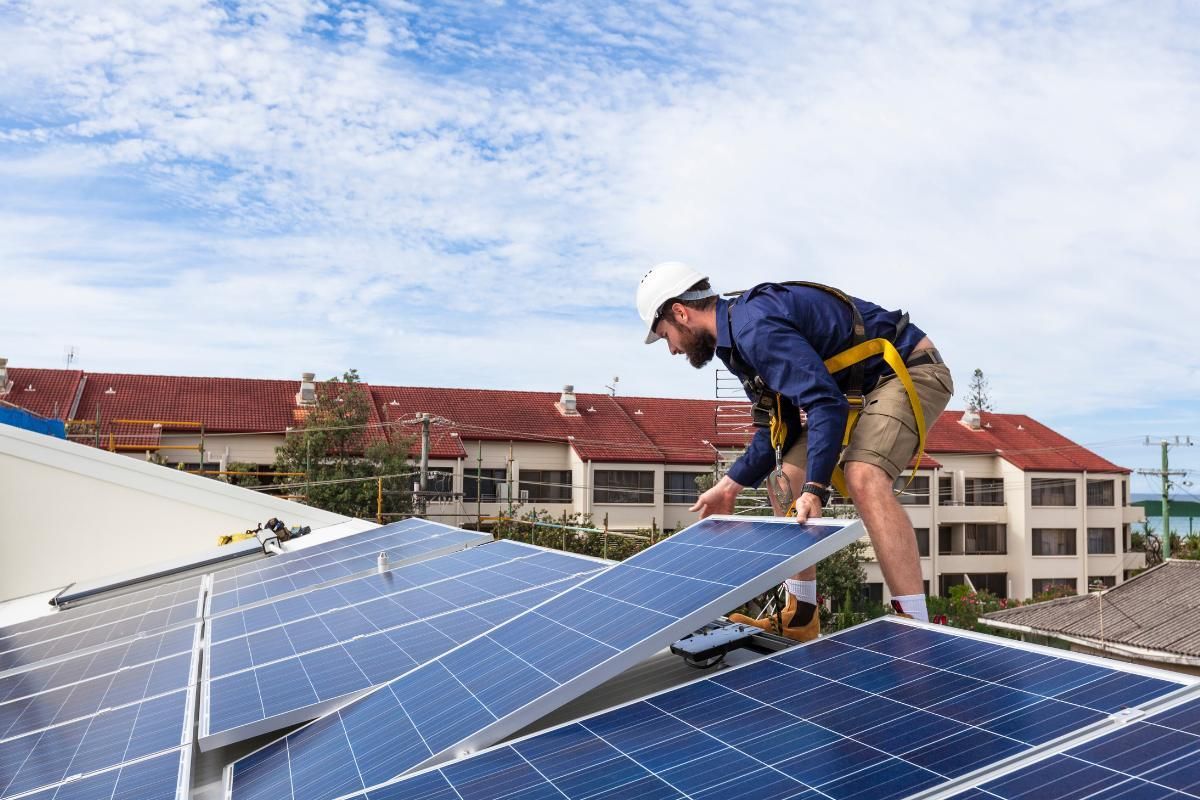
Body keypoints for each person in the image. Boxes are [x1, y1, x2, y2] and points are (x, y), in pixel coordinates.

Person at [637, 261, 953, 641]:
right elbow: (778, 430)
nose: (671, 349)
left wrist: (815, 489)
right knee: (784, 479)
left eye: (666, 335)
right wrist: (729, 486)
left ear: (680, 312)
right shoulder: (736, 342)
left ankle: (915, 628)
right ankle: (801, 617)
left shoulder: (754, 327)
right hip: (852, 390)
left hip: (908, 369)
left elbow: (825, 404)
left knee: (863, 475)